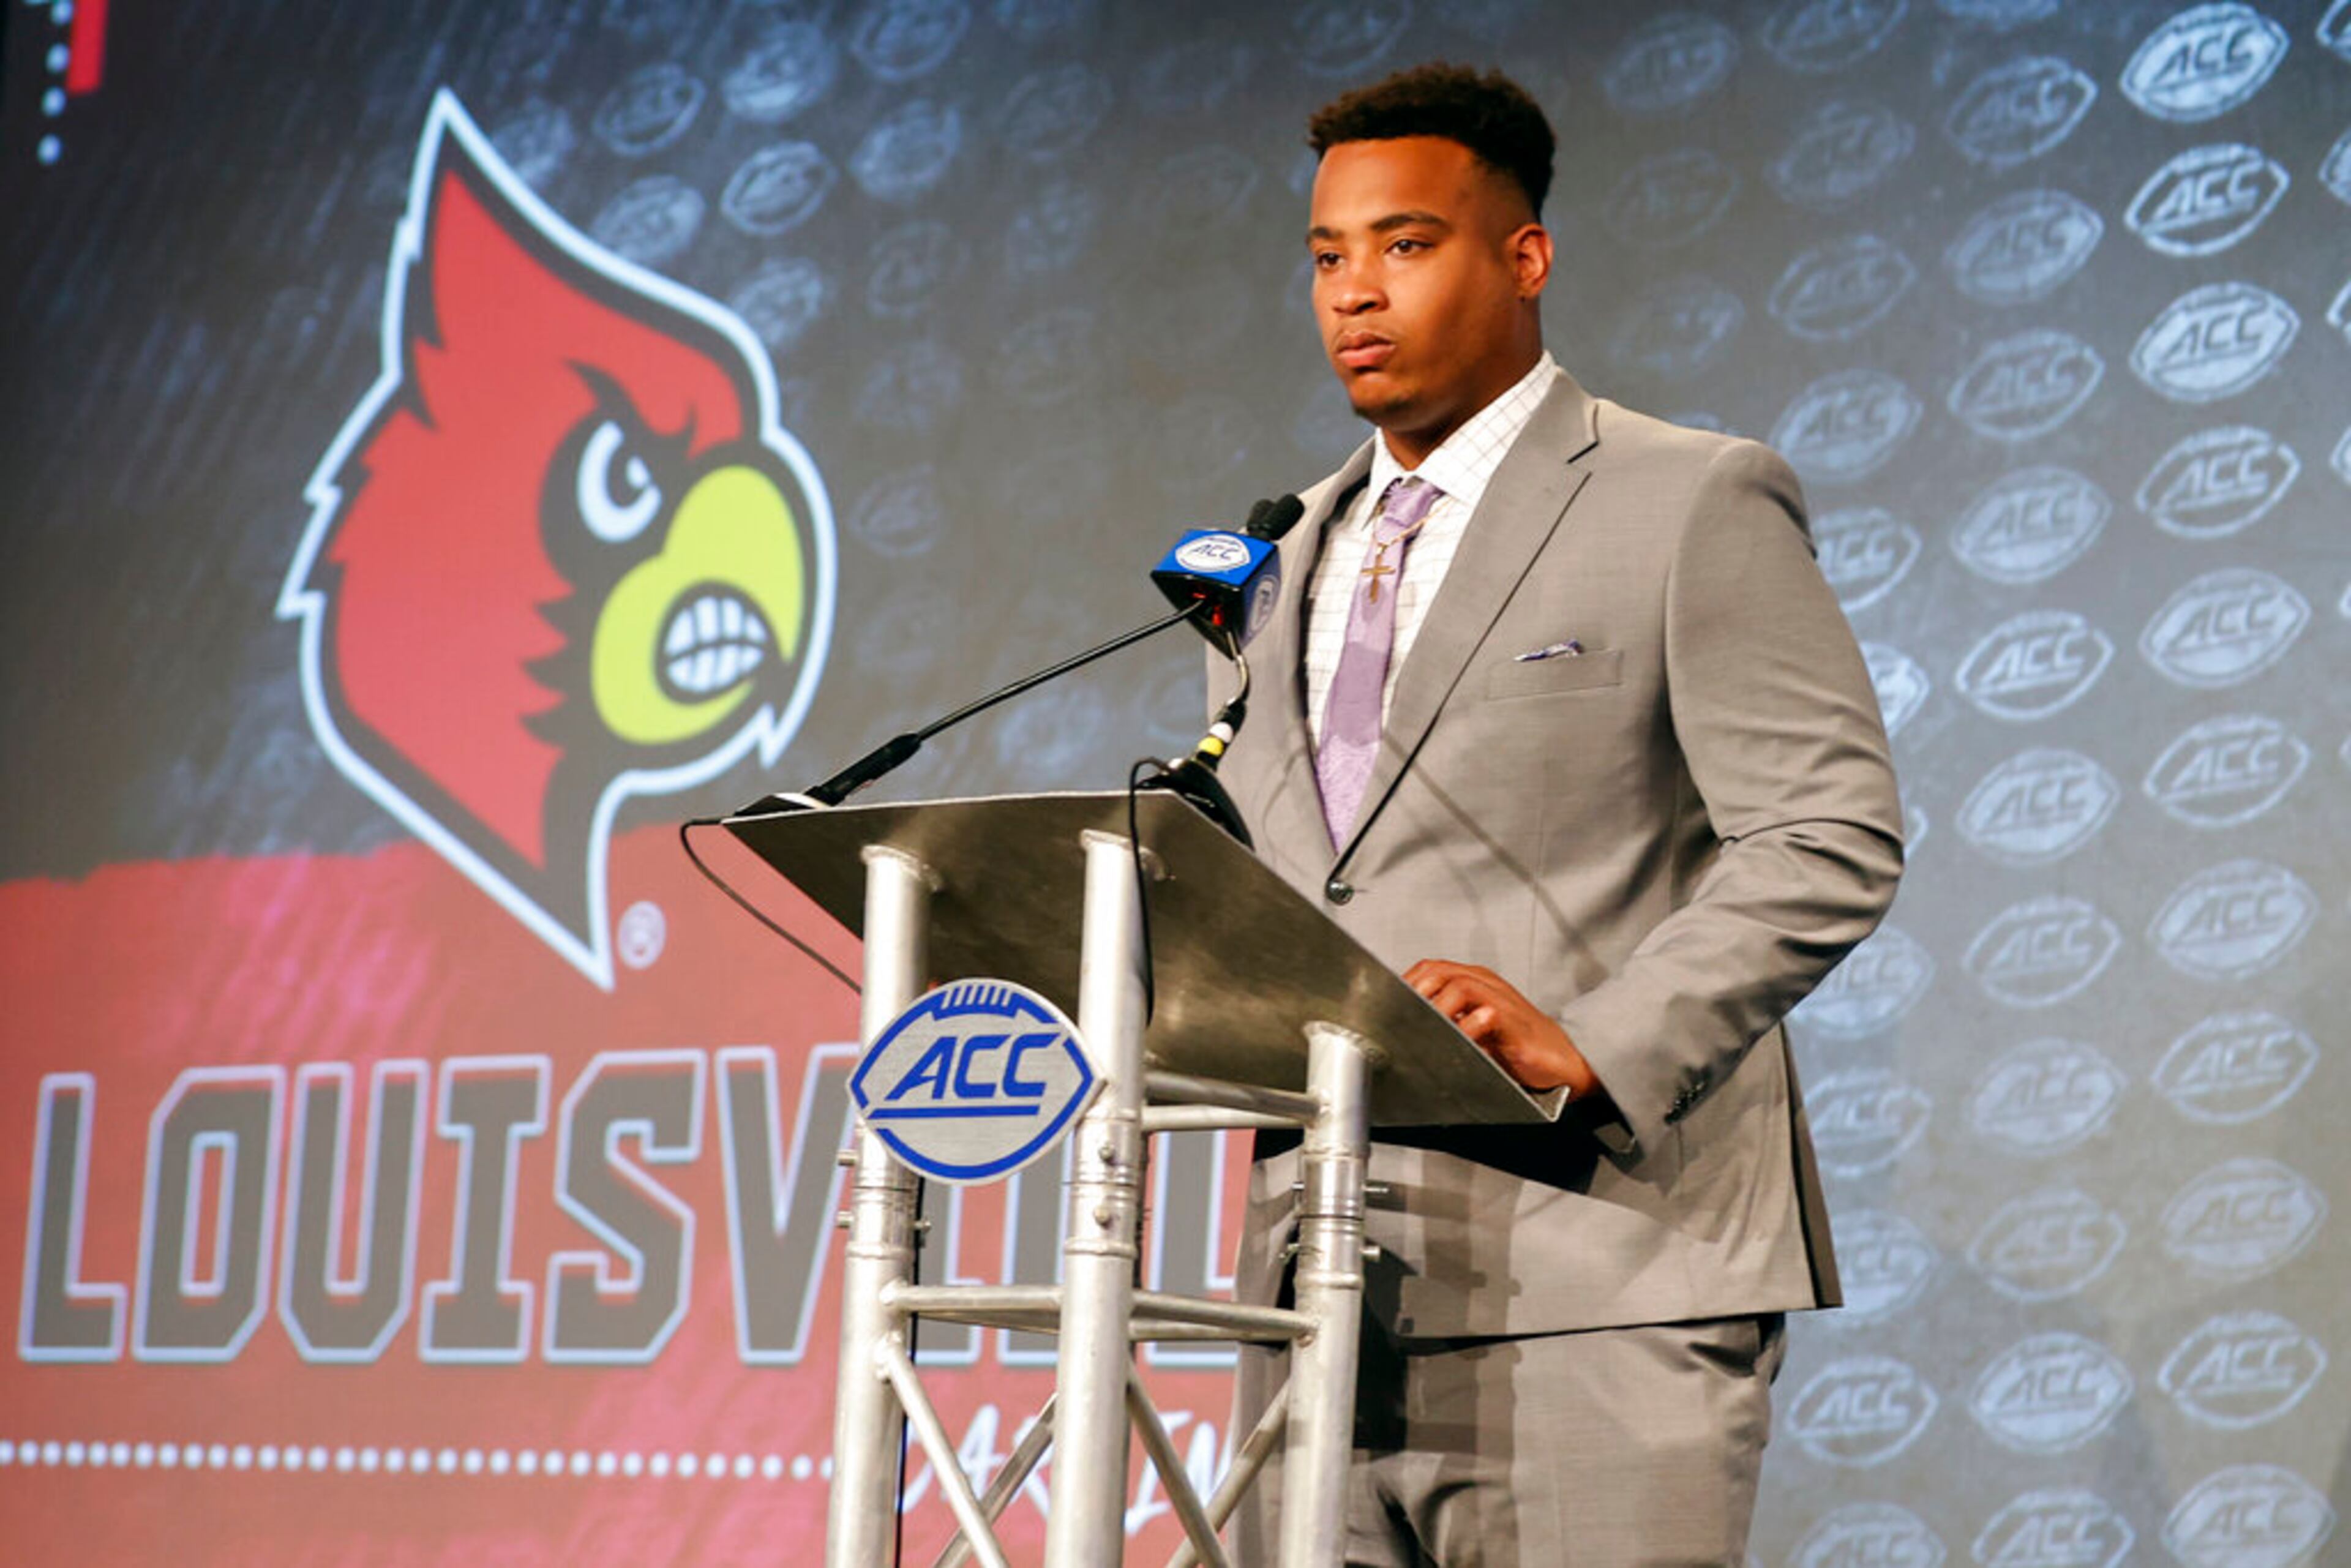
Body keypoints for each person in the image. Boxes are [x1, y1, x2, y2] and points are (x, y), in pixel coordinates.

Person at [1211, 64, 1904, 1566]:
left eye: (1406, 245)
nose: (1354, 293)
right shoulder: (1283, 560)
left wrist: (1598, 1037)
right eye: (1328, 257)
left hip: (1602, 1278)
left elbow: (1828, 835)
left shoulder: (1686, 498)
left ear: (1524, 258)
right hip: (1315, 1305)